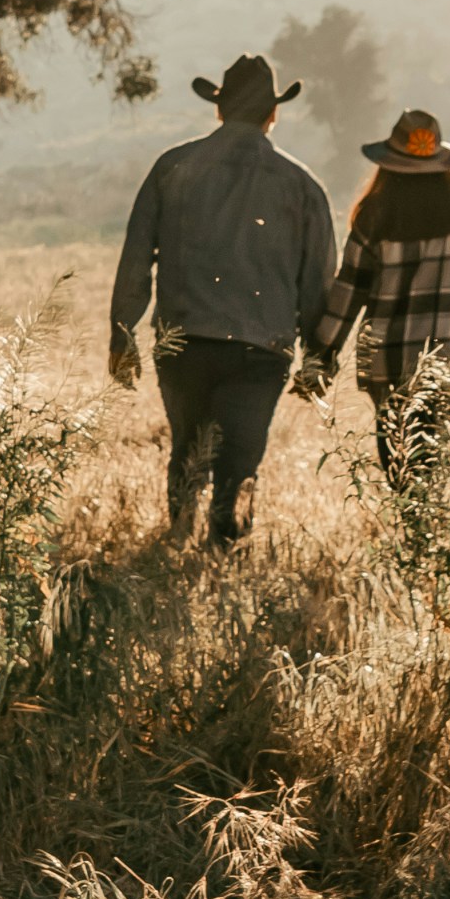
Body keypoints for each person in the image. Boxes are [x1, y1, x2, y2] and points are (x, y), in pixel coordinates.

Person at [109, 52, 337, 545]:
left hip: (184, 340)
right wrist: (320, 358)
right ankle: (222, 557)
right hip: (261, 348)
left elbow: (135, 258)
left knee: (187, 452)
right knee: (241, 462)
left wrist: (121, 335)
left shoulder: (173, 167)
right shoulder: (301, 185)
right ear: (272, 113)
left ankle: (177, 540)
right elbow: (318, 282)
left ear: (218, 108)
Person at [306, 107, 450, 499]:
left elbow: (348, 293)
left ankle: (415, 539)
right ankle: (433, 542)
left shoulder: (375, 216)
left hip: (391, 367)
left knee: (402, 467)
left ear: (388, 166)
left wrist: (320, 358)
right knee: (442, 467)